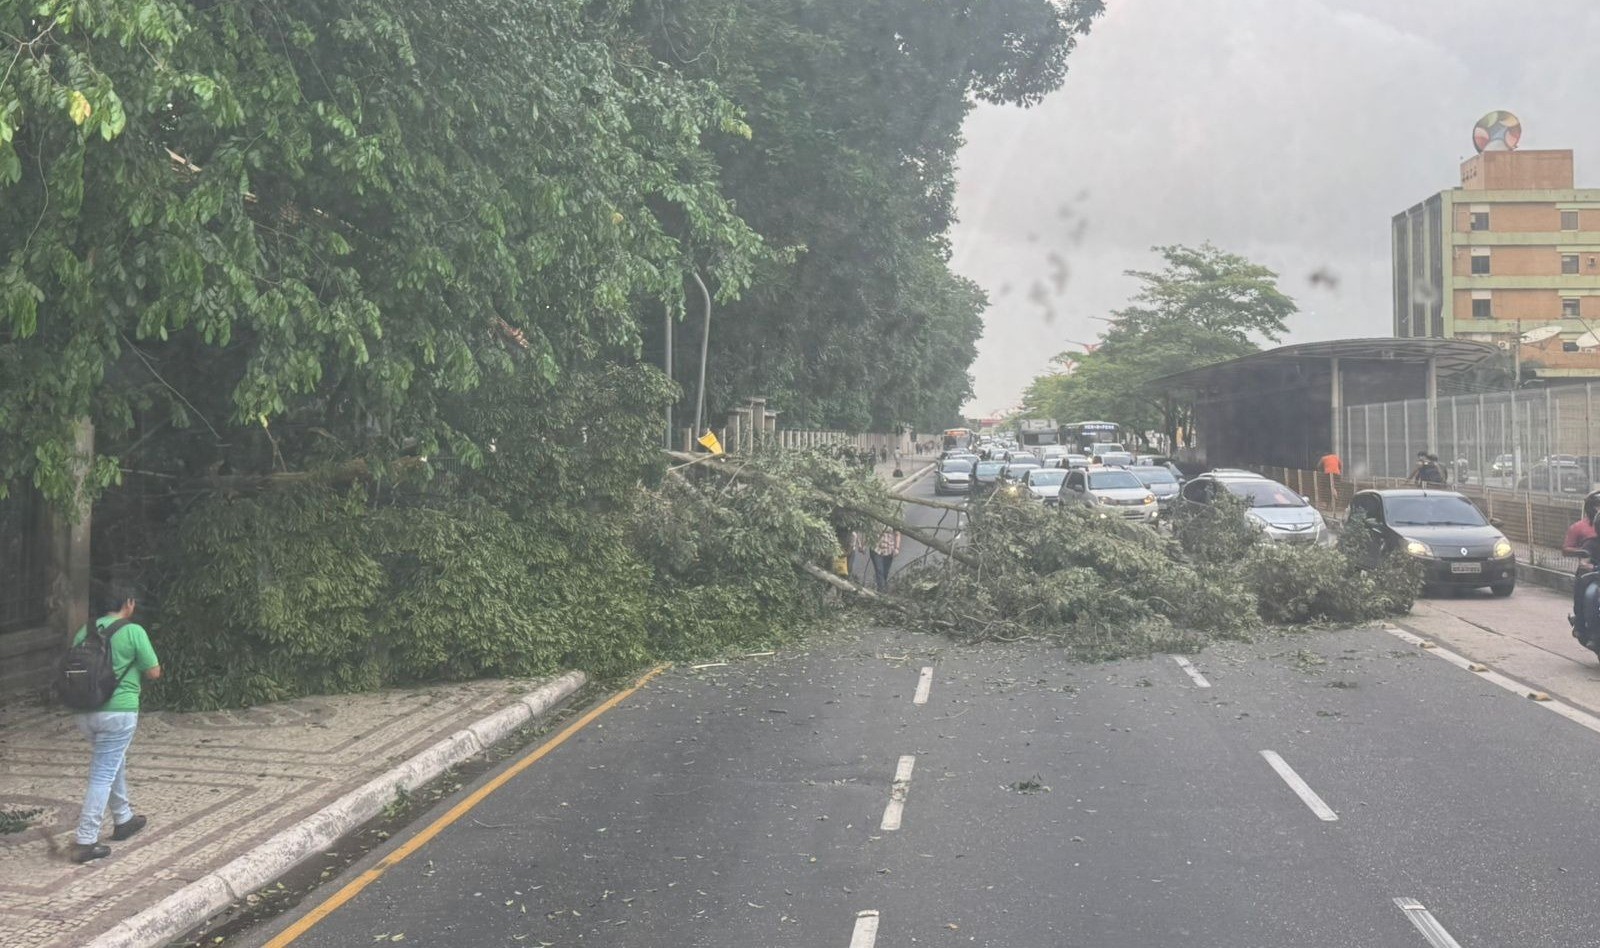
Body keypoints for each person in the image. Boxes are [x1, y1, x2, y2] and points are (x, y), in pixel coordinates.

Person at [71, 589, 161, 863]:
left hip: (85, 711)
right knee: (103, 773)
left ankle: (124, 819)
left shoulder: (83, 631)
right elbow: (154, 671)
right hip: (118, 712)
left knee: (111, 762)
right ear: (128, 604)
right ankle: (85, 840)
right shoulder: (133, 631)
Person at [865, 526, 901, 592]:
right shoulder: (875, 519)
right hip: (876, 549)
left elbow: (897, 534)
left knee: (885, 573)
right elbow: (868, 532)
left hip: (889, 550)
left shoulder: (893, 517)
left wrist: (897, 548)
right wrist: (864, 545)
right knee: (879, 571)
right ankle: (882, 592)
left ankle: (881, 590)